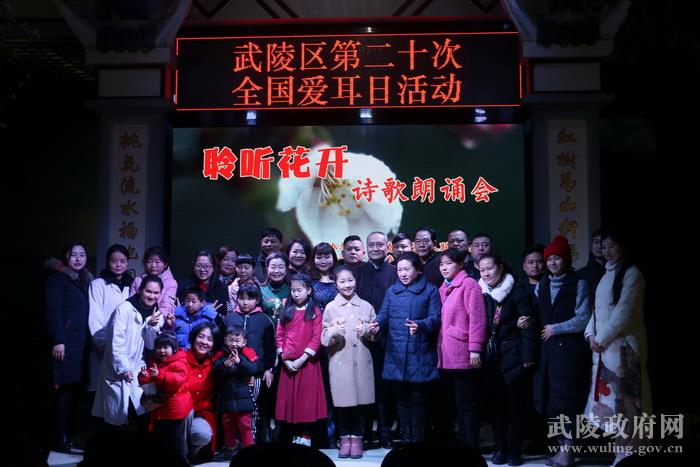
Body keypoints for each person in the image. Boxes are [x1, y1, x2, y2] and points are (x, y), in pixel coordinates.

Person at [584, 231, 650, 465]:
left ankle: (629, 456)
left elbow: (623, 312)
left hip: (624, 349)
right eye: (604, 247)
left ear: (623, 247)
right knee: (612, 406)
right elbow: (596, 311)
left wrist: (600, 338)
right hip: (605, 350)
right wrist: (590, 334)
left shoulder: (632, 274)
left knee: (628, 404)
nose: (607, 251)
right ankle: (620, 454)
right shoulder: (605, 275)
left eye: (612, 246)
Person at [369, 252, 441, 443]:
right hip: (396, 354)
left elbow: (436, 318)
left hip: (420, 353)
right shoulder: (392, 291)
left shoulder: (430, 291)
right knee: (401, 399)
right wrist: (377, 323)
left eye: (407, 269)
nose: (403, 273)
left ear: (418, 270)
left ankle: (417, 439)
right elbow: (384, 315)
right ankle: (405, 437)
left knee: (419, 399)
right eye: (400, 270)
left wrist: (421, 325)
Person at [533, 235, 591, 467]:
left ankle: (569, 448)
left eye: (557, 258)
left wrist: (555, 329)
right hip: (547, 353)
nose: (552, 263)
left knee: (569, 400)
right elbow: (538, 315)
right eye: (549, 259)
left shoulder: (578, 283)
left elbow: (583, 318)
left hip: (570, 352)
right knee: (551, 401)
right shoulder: (542, 285)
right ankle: (562, 448)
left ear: (566, 259)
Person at [477, 253, 538, 466]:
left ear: (500, 268)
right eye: (482, 269)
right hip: (491, 357)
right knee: (496, 407)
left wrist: (528, 357)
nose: (486, 273)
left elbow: (528, 324)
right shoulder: (480, 292)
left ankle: (515, 450)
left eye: (490, 268)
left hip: (514, 355)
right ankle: (500, 447)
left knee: (515, 406)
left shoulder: (517, 290)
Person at [92, 274, 163, 428]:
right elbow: (116, 342)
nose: (151, 296)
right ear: (140, 290)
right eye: (148, 291)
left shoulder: (157, 314)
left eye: (156, 293)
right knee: (116, 415)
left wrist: (151, 326)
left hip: (139, 366)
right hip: (118, 365)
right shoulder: (124, 309)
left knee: (141, 410)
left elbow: (151, 345)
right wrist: (123, 367)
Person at [322, 266, 377, 459]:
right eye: (342, 281)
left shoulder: (366, 306)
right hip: (340, 363)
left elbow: (375, 334)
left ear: (356, 281)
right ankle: (344, 438)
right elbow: (324, 338)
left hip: (362, 362)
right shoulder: (331, 307)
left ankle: (358, 438)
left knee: (361, 403)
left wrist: (368, 331)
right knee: (342, 403)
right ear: (336, 284)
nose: (347, 285)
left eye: (350, 280)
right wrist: (334, 332)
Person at [44, 242, 93, 453]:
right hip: (65, 344)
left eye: (82, 254)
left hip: (80, 345)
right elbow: (52, 311)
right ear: (65, 257)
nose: (78, 259)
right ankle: (59, 437)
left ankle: (70, 435)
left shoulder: (84, 281)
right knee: (62, 391)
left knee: (74, 391)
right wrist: (58, 340)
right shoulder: (57, 279)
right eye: (74, 255)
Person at [437, 248, 487, 449]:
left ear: (460, 264)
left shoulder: (469, 284)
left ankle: (471, 445)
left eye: (448, 263)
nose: (444, 267)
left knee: (467, 402)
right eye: (441, 264)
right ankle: (464, 442)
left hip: (463, 350)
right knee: (458, 401)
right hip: (448, 352)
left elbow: (477, 318)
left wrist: (475, 348)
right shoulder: (445, 286)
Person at [354, 231, 396, 449]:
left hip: (388, 339)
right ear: (366, 248)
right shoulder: (358, 272)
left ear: (387, 247)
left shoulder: (395, 272)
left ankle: (385, 431)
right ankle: (365, 432)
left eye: (380, 244)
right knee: (364, 386)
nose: (375, 248)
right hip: (362, 339)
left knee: (385, 388)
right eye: (371, 245)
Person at [275, 273, 328, 446]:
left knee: (306, 402)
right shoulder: (287, 310)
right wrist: (284, 358)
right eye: (293, 290)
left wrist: (302, 359)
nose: (296, 294)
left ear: (309, 290)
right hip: (288, 364)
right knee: (291, 401)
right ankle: (293, 435)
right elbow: (279, 334)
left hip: (307, 364)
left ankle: (306, 435)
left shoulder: (315, 312)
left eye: (299, 290)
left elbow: (316, 338)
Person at [223, 283, 276, 444]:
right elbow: (221, 344)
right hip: (232, 374)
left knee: (252, 410)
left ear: (257, 300)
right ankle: (232, 445)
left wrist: (268, 369)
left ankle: (253, 442)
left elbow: (270, 348)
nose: (245, 302)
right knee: (231, 411)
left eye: (250, 299)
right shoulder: (229, 318)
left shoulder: (264, 320)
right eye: (242, 298)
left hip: (256, 373)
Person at [137, 332, 192, 460]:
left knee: (175, 441)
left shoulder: (179, 362)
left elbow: (177, 381)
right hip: (160, 409)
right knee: (161, 439)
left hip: (174, 410)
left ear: (174, 349)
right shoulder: (154, 362)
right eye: (159, 347)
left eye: (166, 347)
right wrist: (144, 376)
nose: (162, 351)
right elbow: (149, 383)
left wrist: (159, 375)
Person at [212, 326, 263, 461]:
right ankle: (230, 450)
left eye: (237, 341)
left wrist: (240, 363)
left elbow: (254, 369)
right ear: (225, 340)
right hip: (226, 399)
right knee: (227, 425)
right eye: (231, 340)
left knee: (245, 425)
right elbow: (214, 372)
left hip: (244, 399)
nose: (234, 344)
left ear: (244, 342)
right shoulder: (220, 355)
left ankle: (249, 451)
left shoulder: (247, 354)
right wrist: (225, 365)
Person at [88, 244, 133, 393]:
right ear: (107, 262)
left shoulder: (132, 285)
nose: (118, 265)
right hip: (104, 343)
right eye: (114, 261)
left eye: (123, 261)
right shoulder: (98, 284)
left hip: (125, 344)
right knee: (100, 388)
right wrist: (100, 342)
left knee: (123, 389)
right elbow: (95, 316)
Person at [183, 322, 222, 463]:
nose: (204, 342)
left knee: (203, 434)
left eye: (210, 339)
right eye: (201, 337)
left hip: (200, 414)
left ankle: (191, 454)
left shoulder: (215, 365)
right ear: (194, 338)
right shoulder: (180, 358)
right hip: (178, 415)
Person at [130, 246, 178, 314]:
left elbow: (166, 307)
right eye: (149, 262)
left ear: (165, 264)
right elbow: (131, 304)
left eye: (157, 262)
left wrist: (152, 318)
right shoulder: (138, 281)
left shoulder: (171, 283)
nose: (153, 265)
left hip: (159, 318)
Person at [260, 252, 290, 326]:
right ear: (267, 268)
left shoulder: (293, 290)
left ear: (286, 269)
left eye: (280, 267)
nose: (276, 271)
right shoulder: (260, 290)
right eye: (273, 267)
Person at [310, 242, 339, 313]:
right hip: (315, 319)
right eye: (318, 258)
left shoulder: (340, 277)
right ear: (313, 259)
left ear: (333, 258)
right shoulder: (308, 279)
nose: (323, 261)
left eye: (327, 257)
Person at [577, 229, 606, 296]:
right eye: (596, 242)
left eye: (602, 243)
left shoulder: (614, 271)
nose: (599, 246)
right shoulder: (581, 273)